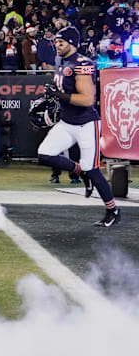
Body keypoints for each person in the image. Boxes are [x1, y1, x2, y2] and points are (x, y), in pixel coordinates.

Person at [37, 26, 120, 227]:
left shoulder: (83, 63)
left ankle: (113, 210)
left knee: (92, 169)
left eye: (61, 42)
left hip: (86, 124)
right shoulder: (61, 62)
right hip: (67, 121)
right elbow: (63, 92)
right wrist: (51, 98)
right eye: (56, 42)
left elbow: (87, 99)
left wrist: (60, 95)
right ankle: (79, 171)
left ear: (72, 44)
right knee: (44, 154)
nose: (57, 45)